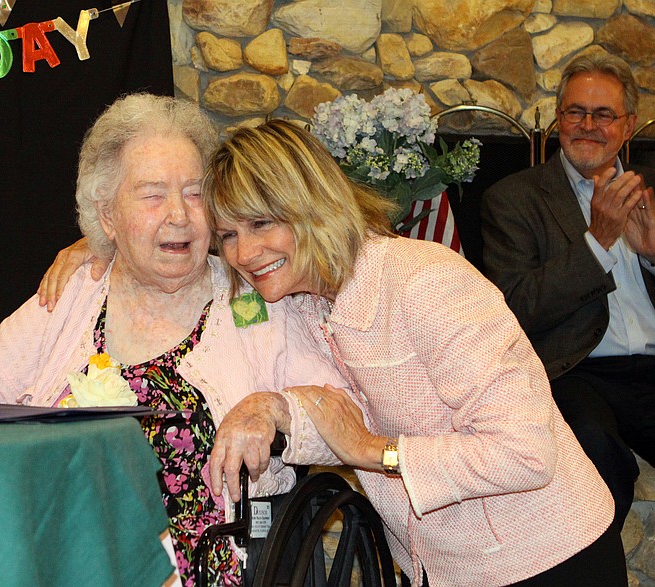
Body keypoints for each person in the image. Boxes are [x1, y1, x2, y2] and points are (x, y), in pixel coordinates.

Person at [0, 94, 350, 586]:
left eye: (194, 193)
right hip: (67, 559)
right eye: (152, 195)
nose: (178, 214)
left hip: (203, 567)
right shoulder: (73, 293)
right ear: (108, 216)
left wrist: (272, 406)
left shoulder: (253, 297)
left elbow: (341, 413)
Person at [199, 119, 626, 587]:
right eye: (228, 235)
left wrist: (372, 451)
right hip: (436, 568)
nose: (244, 252)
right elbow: (342, 423)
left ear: (312, 204)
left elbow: (525, 453)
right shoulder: (303, 304)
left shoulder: (424, 280)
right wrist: (269, 409)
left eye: (261, 223)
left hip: (547, 561)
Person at [480, 53, 655, 581]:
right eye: (575, 112)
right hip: (575, 372)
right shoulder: (513, 199)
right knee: (594, 461)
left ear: (628, 124)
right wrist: (598, 243)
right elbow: (512, 311)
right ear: (558, 118)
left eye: (604, 114)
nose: (589, 126)